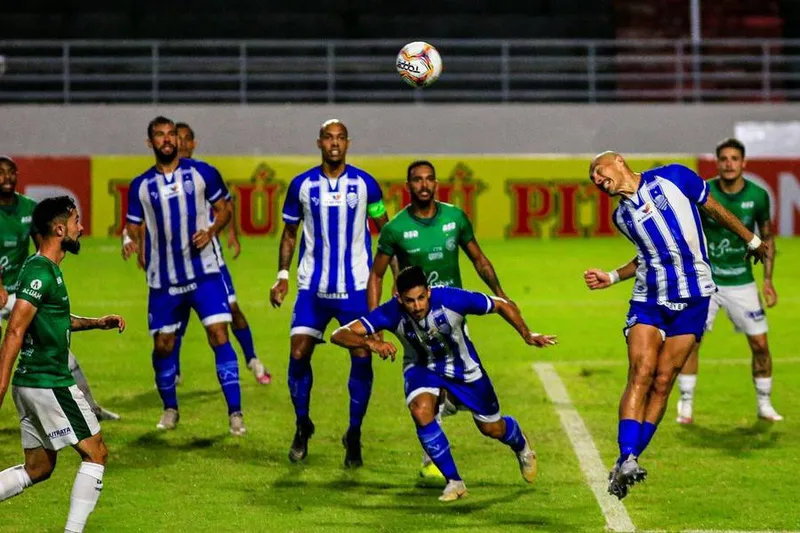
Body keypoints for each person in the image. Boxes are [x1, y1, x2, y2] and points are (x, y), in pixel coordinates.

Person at [584, 152, 768, 500]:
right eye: (593, 179)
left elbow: (714, 208)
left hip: (695, 296)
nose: (597, 180)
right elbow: (647, 255)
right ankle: (627, 456)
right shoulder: (621, 216)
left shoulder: (674, 177)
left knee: (664, 381)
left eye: (599, 171)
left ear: (619, 161)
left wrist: (752, 239)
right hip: (649, 299)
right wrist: (613, 276)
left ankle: (627, 461)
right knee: (641, 372)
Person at [331, 266, 556, 501]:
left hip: (464, 370)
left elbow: (500, 304)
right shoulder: (390, 312)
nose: (417, 306)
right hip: (422, 368)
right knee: (420, 410)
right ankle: (454, 481)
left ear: (428, 291)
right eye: (410, 301)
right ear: (399, 298)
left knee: (492, 428)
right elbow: (339, 334)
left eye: (421, 298)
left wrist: (527, 334)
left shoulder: (451, 299)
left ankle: (520, 444)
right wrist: (371, 343)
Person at [367, 159, 511, 480]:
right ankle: (433, 455)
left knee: (454, 384)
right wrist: (375, 326)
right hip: (415, 319)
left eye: (429, 179)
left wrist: (500, 294)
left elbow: (479, 259)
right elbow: (376, 275)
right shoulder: (395, 229)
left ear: (436, 183)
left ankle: (451, 404)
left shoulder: (455, 218)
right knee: (425, 389)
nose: (424, 184)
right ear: (409, 185)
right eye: (417, 179)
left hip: (452, 316)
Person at [0, 196, 126, 533]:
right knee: (97, 454)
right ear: (59, 230)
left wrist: (96, 323)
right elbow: (15, 329)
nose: (80, 228)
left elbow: (53, 319)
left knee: (38, 468)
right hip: (49, 382)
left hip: (30, 384)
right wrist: (0, 382)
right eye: (75, 222)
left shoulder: (39, 267)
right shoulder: (41, 272)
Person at [270, 119, 390, 467]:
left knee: (363, 355)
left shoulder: (366, 184)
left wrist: (396, 278)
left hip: (356, 288)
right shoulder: (301, 185)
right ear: (319, 143)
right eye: (328, 138)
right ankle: (302, 425)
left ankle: (354, 433)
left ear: (348, 143)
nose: (334, 143)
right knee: (298, 353)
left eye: (340, 138)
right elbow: (290, 233)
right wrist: (282, 276)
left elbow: (386, 232)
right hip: (313, 288)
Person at [126, 116, 245, 435]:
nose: (167, 139)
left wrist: (212, 231)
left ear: (178, 140)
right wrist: (132, 241)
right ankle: (170, 408)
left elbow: (225, 208)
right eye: (159, 135)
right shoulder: (141, 185)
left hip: (204, 272)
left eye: (171, 134)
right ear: (150, 142)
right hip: (163, 280)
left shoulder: (203, 172)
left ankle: (235, 413)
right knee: (163, 345)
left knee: (219, 334)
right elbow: (133, 224)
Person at [0, 156, 119, 421]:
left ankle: (92, 408)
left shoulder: (29, 208)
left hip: (21, 290)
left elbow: (42, 245)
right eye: (1, 172)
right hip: (3, 291)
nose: (7, 177)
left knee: (57, 343)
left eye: (11, 172)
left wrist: (41, 271)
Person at [676, 138, 781, 423]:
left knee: (760, 345)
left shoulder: (758, 196)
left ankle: (764, 404)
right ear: (717, 162)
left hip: (742, 282)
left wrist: (767, 280)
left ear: (743, 163)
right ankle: (686, 403)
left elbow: (767, 237)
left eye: (734, 159)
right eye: (724, 159)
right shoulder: (704, 193)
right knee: (690, 342)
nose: (729, 164)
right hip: (706, 283)